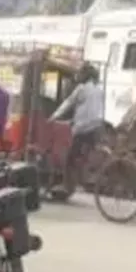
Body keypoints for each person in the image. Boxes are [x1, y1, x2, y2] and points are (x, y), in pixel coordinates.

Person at [52, 62, 105, 195]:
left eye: (81, 73)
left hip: (83, 128)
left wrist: (54, 116)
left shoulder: (81, 89)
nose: (79, 75)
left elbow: (68, 103)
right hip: (96, 126)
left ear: (85, 75)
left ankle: (66, 185)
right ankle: (83, 174)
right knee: (84, 154)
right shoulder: (99, 90)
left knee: (70, 157)